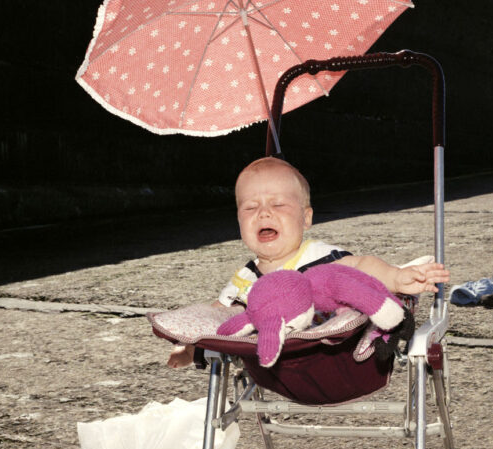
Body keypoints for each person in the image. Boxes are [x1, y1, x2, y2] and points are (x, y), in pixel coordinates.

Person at [167, 157, 449, 367]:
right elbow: (221, 322)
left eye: (278, 205)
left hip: (338, 357)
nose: (263, 214)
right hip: (276, 365)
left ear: (306, 218)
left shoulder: (318, 256)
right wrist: (192, 349)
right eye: (250, 208)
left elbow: (361, 267)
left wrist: (397, 277)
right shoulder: (245, 279)